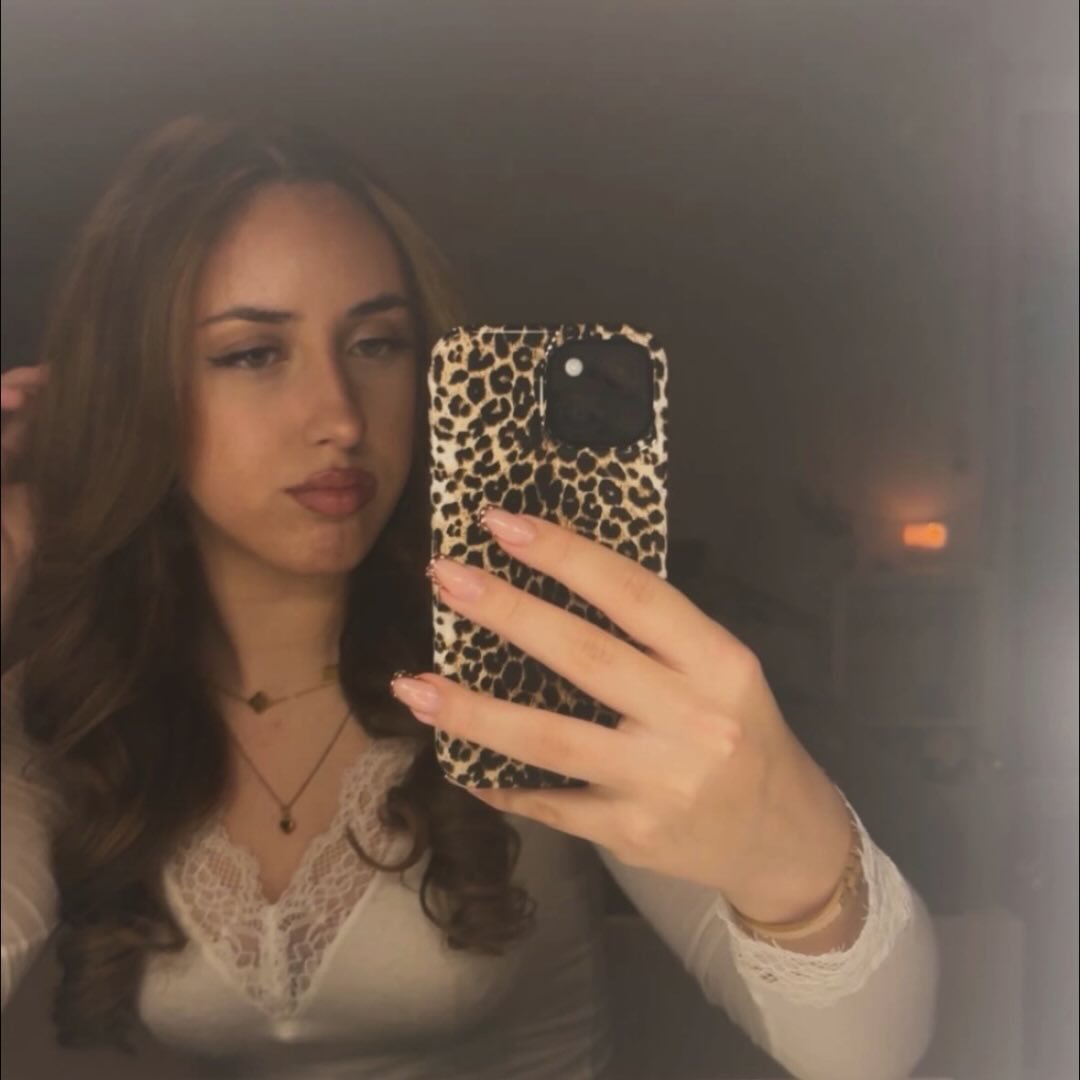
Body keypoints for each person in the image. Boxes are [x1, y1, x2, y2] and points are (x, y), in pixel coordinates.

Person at [0, 115, 937, 1080]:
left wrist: (793, 865)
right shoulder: (76, 706)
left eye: (377, 343)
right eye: (252, 353)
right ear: (133, 390)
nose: (339, 417)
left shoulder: (529, 659)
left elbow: (863, 1054)